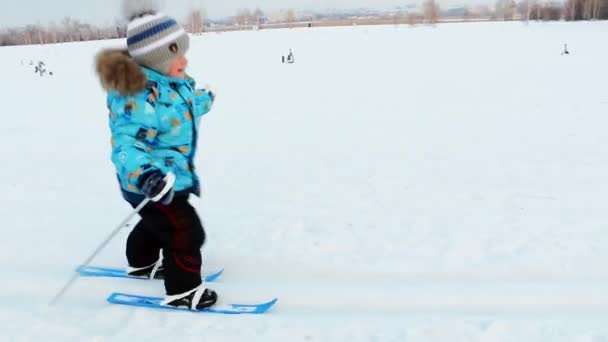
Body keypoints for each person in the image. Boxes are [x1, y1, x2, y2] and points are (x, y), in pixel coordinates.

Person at [94, 2, 217, 310]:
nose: (184, 61)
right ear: (155, 60)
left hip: (170, 177)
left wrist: (202, 101)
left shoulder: (171, 84)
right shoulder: (136, 97)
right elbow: (127, 146)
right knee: (183, 230)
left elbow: (180, 109)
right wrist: (147, 175)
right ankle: (183, 290)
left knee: (154, 222)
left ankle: (141, 263)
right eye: (177, 55)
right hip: (147, 180)